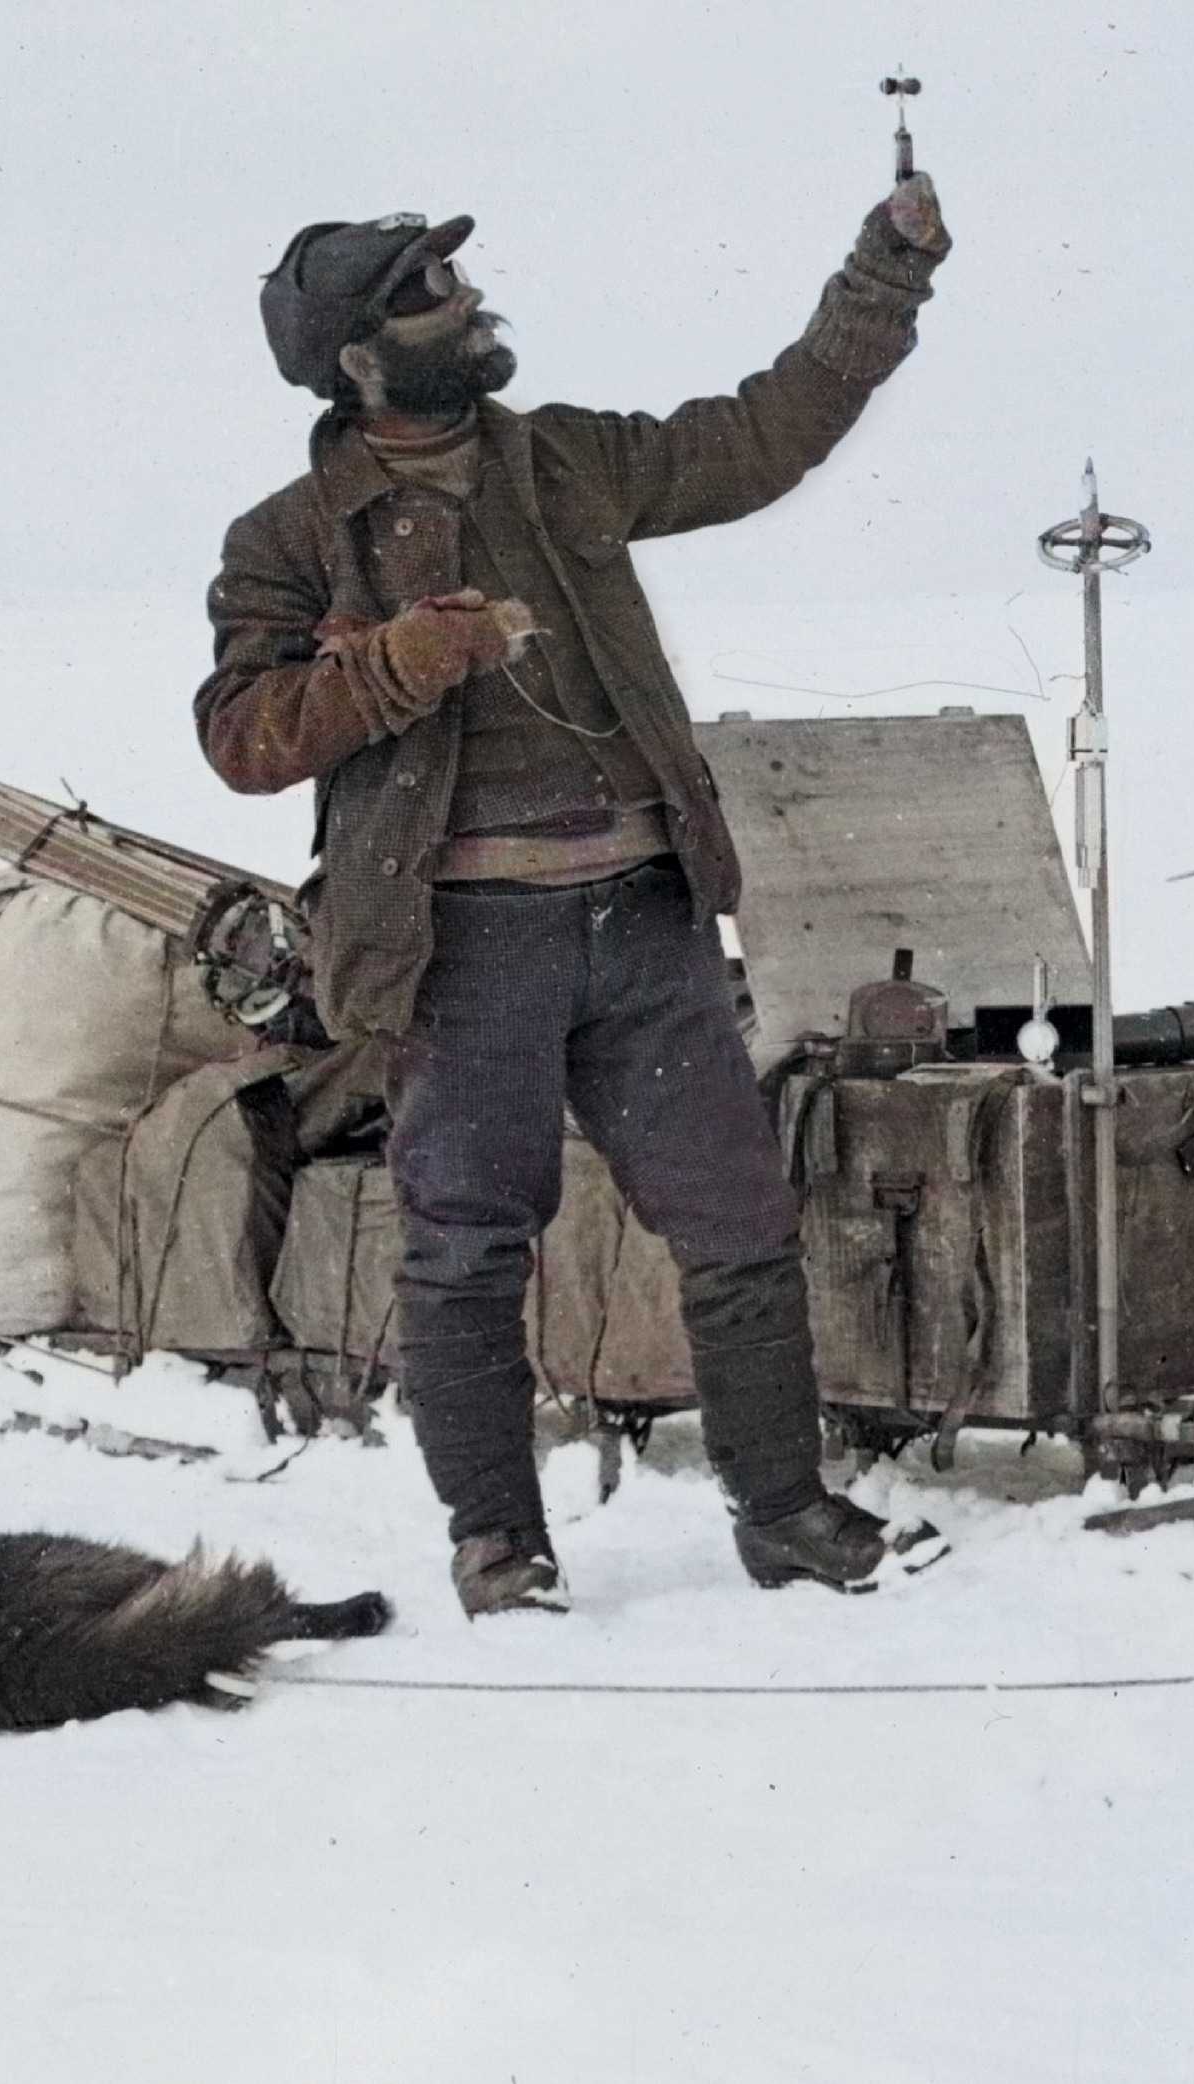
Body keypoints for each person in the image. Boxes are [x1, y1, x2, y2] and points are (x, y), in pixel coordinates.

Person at [195, 173, 952, 1616]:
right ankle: (498, 1543)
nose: (467, 303)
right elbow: (242, 737)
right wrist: (404, 662)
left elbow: (765, 433)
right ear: (361, 358)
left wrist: (886, 273)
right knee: (467, 1250)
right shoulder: (285, 539)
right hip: (462, 949)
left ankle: (783, 1512)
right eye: (428, 292)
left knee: (738, 1226)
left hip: (645, 926)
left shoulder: (568, 464)